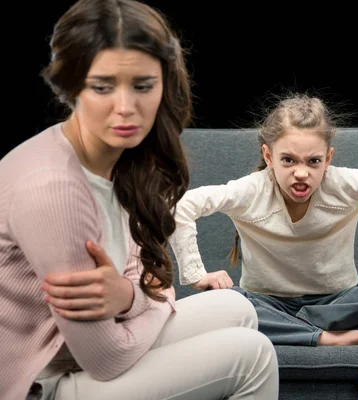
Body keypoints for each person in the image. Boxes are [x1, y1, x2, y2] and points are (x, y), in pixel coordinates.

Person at [0, 1, 279, 399]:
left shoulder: (120, 161)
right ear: (70, 88)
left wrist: (130, 297)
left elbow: (150, 281)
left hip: (80, 351)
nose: (126, 108)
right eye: (103, 87)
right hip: (37, 381)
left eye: (143, 85)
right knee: (251, 355)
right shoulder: (54, 188)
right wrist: (142, 299)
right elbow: (108, 358)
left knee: (237, 308)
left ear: (164, 84)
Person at [168, 93, 358, 346]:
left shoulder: (344, 184)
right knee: (223, 302)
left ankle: (294, 327)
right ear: (269, 157)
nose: (301, 173)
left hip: (337, 302)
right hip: (266, 302)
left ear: (328, 158)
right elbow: (182, 206)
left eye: (313, 161)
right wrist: (196, 275)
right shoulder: (250, 191)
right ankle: (325, 335)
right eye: (288, 160)